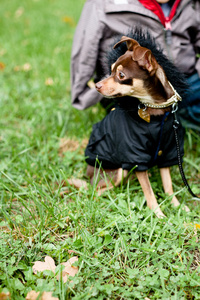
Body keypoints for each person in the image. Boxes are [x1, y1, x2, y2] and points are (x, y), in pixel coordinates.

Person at [71, 0, 200, 130]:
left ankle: (177, 117)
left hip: (185, 82)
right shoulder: (102, 3)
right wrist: (83, 95)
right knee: (135, 130)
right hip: (128, 89)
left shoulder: (192, 3)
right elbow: (85, 50)